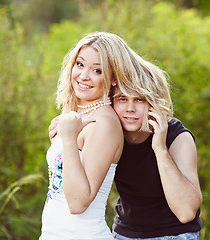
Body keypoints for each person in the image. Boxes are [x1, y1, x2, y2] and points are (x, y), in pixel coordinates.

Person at [49, 35, 203, 240]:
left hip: (172, 234)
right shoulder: (110, 127)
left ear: (152, 104)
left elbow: (186, 212)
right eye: (122, 99)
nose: (130, 109)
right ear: (112, 97)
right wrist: (68, 137)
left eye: (140, 100)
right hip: (125, 233)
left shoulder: (177, 137)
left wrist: (160, 148)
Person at [39, 32, 137, 239]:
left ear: (112, 78)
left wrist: (67, 139)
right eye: (80, 64)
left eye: (97, 70)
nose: (83, 76)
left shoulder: (103, 123)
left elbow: (78, 202)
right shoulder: (77, 115)